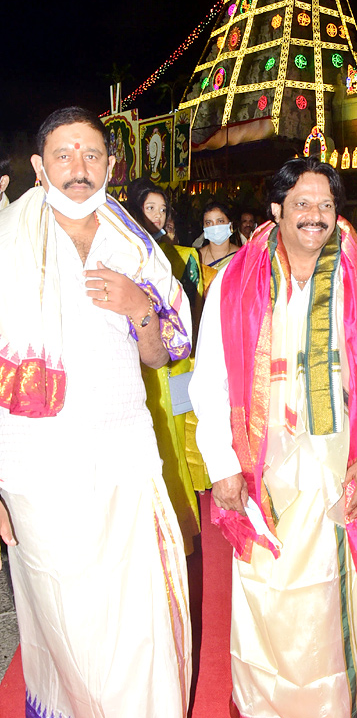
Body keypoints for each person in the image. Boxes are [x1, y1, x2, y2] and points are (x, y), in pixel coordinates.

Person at [189, 156, 357, 718]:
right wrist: (222, 465)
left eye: (326, 205)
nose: (315, 216)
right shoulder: (234, 283)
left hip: (340, 465)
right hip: (262, 468)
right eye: (303, 204)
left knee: (336, 595)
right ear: (276, 209)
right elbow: (209, 377)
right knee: (267, 593)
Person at [0, 107, 192, 717]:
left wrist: (140, 306)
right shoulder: (8, 242)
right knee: (68, 617)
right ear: (39, 166)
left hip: (124, 455)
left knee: (139, 619)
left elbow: (164, 353)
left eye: (91, 154)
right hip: (36, 469)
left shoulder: (136, 246)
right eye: (63, 154)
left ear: (110, 163)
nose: (78, 168)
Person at [127, 177, 215, 552]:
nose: (158, 217)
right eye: (150, 209)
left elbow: (189, 314)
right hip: (128, 364)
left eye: (163, 210)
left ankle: (178, 528)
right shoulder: (122, 251)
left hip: (169, 364)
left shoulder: (178, 256)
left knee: (171, 439)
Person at [192, 200, 239, 269]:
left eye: (220, 221)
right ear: (204, 228)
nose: (215, 227)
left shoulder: (242, 256)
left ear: (230, 226)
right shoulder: (196, 258)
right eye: (209, 222)